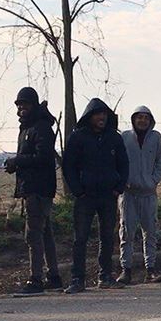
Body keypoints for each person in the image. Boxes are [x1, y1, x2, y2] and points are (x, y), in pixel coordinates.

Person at [62, 98, 129, 293]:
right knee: (80, 238)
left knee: (107, 237)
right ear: (90, 116)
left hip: (108, 194)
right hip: (85, 196)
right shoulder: (77, 138)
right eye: (98, 114)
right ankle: (77, 279)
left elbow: (123, 164)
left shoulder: (114, 138)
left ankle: (105, 276)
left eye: (104, 114)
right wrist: (77, 190)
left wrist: (119, 187)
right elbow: (69, 166)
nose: (102, 117)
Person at [5, 87, 62, 297]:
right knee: (45, 233)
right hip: (33, 187)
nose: (21, 108)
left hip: (39, 188)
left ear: (34, 105)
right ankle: (53, 276)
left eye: (25, 104)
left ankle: (35, 278)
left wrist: (17, 161)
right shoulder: (28, 127)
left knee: (34, 234)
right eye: (19, 105)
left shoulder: (40, 127)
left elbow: (43, 157)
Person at [117, 106, 161, 285]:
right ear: (133, 119)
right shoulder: (124, 137)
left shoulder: (156, 138)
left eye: (146, 118)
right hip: (128, 194)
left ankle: (151, 269)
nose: (142, 121)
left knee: (150, 232)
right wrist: (123, 180)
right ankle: (126, 269)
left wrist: (153, 180)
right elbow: (118, 160)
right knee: (126, 232)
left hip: (149, 193)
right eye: (139, 117)